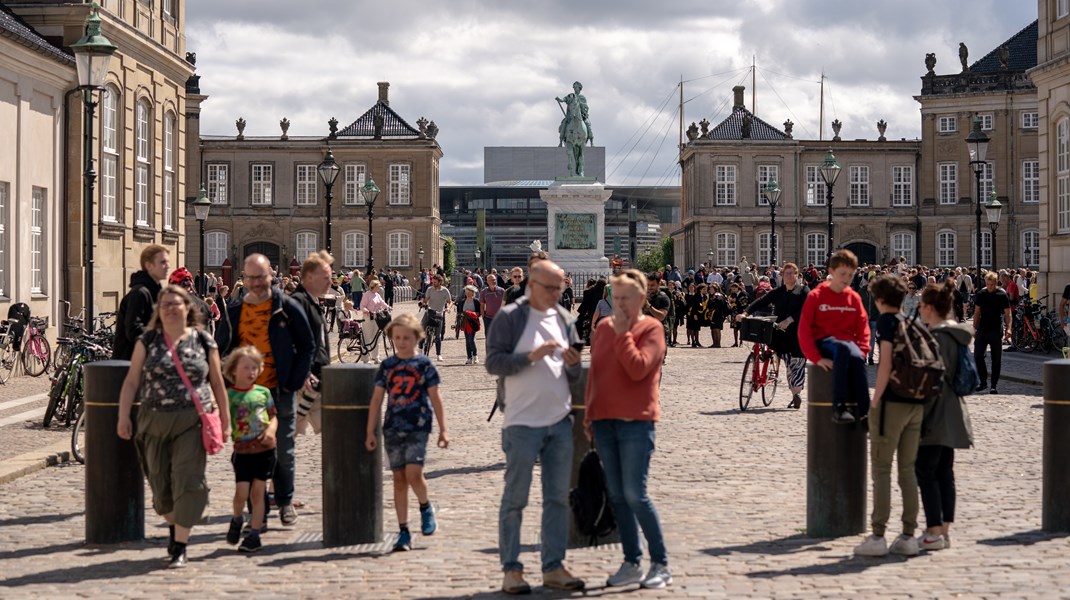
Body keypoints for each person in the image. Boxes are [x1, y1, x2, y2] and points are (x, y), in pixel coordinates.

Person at [485, 260, 585, 594]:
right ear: (532, 285)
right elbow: (493, 362)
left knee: (557, 499)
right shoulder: (510, 317)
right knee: (515, 499)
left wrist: (573, 365)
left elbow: (572, 374)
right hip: (522, 422)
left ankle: (553, 566)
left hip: (559, 421)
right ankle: (511, 569)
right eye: (550, 287)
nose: (557, 293)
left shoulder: (565, 318)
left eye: (560, 287)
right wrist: (530, 357)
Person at [117, 285, 229, 568]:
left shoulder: (203, 340)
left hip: (192, 420)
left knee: (187, 479)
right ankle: (174, 525)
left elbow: (217, 382)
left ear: (187, 307)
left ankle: (180, 545)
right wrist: (122, 416)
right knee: (161, 488)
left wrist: (225, 421)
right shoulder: (148, 340)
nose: (169, 308)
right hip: (153, 420)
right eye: (163, 304)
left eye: (175, 303)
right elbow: (131, 381)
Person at [584, 269, 671, 589]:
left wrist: (622, 333)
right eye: (615, 297)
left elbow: (637, 368)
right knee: (618, 495)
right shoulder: (604, 328)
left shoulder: (652, 328)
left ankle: (660, 561)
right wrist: (589, 413)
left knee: (636, 493)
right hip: (605, 421)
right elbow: (597, 370)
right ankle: (632, 561)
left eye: (626, 298)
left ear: (641, 299)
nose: (619, 303)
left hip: (637, 420)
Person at [215, 253, 314, 527]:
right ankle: (257, 511)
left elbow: (307, 346)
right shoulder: (234, 311)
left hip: (279, 390)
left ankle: (284, 501)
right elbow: (221, 350)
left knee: (284, 449)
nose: (256, 282)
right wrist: (227, 385)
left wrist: (294, 381)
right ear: (244, 279)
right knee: (250, 451)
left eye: (261, 276)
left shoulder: (287, 307)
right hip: (247, 395)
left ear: (271, 275)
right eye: (251, 277)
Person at [365, 314, 449, 552]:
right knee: (399, 479)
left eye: (407, 338)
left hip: (418, 426)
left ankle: (425, 506)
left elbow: (435, 397)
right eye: (397, 337)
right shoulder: (387, 366)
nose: (402, 342)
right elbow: (377, 399)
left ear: (416, 338)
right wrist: (370, 430)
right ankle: (403, 530)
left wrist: (443, 429)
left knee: (414, 473)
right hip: (392, 427)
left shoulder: (424, 365)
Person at [854, 274, 922, 558]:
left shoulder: (886, 322)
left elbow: (885, 365)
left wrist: (875, 401)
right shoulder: (910, 321)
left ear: (879, 299)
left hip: (892, 402)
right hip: (915, 403)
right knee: (908, 471)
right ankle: (908, 535)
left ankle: (878, 534)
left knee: (882, 470)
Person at [915, 281, 974, 551]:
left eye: (921, 306)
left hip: (935, 412)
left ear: (929, 308)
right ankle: (945, 530)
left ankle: (934, 530)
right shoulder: (957, 335)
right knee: (944, 471)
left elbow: (928, 381)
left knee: (925, 470)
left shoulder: (935, 338)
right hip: (954, 411)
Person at [798, 249, 871, 424]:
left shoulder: (853, 298)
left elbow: (863, 328)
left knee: (857, 359)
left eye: (851, 275)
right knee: (845, 349)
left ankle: (866, 412)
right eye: (843, 274)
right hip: (825, 341)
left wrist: (863, 351)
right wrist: (816, 358)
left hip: (847, 342)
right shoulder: (816, 296)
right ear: (831, 271)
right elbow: (804, 329)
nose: (847, 278)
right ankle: (839, 406)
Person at [223, 346, 277, 553]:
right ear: (234, 370)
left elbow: (273, 416)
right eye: (246, 367)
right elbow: (223, 418)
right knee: (241, 493)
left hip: (265, 450)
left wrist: (271, 431)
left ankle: (255, 534)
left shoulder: (263, 392)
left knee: (258, 493)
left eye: (255, 367)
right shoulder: (229, 395)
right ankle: (237, 518)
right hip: (243, 452)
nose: (251, 372)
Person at [736, 263, 811, 408]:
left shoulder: (803, 291)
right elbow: (761, 301)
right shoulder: (779, 291)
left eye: (792, 273)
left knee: (795, 366)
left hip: (799, 334)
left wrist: (790, 320)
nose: (789, 276)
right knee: (776, 349)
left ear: (797, 275)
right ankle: (770, 362)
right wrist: (745, 313)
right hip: (781, 333)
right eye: (786, 273)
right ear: (782, 275)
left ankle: (796, 394)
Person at [113, 244, 170, 360]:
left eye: (168, 262)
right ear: (149, 265)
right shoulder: (139, 293)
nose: (167, 266)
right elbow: (133, 330)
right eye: (163, 262)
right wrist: (163, 335)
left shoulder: (157, 292)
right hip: (130, 364)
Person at [973, 271, 1012, 394]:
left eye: (992, 284)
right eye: (988, 284)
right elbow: (977, 312)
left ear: (996, 283)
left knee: (996, 358)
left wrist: (1009, 328)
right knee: (978, 355)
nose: (990, 286)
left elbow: (1008, 313)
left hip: (996, 328)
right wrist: (974, 328)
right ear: (986, 283)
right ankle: (983, 381)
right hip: (983, 327)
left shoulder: (1002, 295)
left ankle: (993, 385)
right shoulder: (981, 294)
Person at [420, 274, 452, 361]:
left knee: (438, 335)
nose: (433, 283)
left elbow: (450, 302)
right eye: (432, 282)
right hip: (429, 312)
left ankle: (438, 354)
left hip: (439, 314)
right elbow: (426, 299)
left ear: (440, 282)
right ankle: (420, 350)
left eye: (435, 282)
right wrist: (423, 303)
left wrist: (448, 308)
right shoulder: (429, 289)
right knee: (422, 331)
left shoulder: (445, 291)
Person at [360, 280, 392, 363]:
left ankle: (376, 357)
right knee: (367, 337)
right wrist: (366, 310)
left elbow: (382, 303)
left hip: (377, 318)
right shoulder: (367, 294)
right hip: (368, 318)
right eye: (378, 286)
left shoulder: (377, 294)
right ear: (373, 286)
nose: (379, 288)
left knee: (377, 338)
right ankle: (366, 358)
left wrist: (388, 307)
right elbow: (362, 305)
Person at [479, 274, 505, 346]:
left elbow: (505, 304)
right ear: (487, 281)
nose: (493, 281)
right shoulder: (484, 292)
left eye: (494, 279)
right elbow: (482, 305)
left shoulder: (502, 291)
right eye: (491, 280)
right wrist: (483, 317)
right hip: (488, 318)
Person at [460, 285, 482, 365]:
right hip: (465, 323)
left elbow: (479, 312)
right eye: (466, 292)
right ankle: (469, 357)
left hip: (473, 323)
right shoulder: (463, 301)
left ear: (473, 293)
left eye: (470, 292)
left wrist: (474, 314)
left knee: (471, 339)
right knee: (467, 341)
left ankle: (475, 356)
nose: (468, 294)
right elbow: (459, 312)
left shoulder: (476, 301)